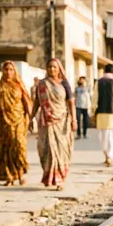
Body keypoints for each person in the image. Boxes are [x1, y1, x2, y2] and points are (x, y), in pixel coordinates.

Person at [33, 58, 76, 190]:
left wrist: (74, 120)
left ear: (59, 69)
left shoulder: (64, 83)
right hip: (46, 121)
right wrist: (30, 118)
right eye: (50, 67)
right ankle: (48, 176)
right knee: (45, 149)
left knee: (62, 149)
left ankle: (59, 179)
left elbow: (71, 102)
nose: (52, 69)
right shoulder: (42, 84)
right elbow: (37, 102)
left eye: (54, 67)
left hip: (62, 121)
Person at [0, 61, 31, 186]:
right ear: (2, 71)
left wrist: (31, 118)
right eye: (6, 69)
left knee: (18, 147)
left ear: (15, 71)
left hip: (19, 120)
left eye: (11, 69)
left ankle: (20, 174)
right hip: (3, 122)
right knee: (6, 149)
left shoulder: (19, 85)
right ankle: (10, 177)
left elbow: (26, 102)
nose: (8, 72)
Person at [91, 64, 113, 167]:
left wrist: (93, 111)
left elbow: (95, 98)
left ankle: (106, 155)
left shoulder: (98, 82)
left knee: (103, 136)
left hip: (101, 113)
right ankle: (110, 155)